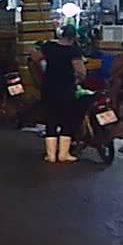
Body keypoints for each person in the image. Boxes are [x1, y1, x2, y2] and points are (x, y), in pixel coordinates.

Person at [30, 24, 86, 163]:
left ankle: (51, 155)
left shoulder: (49, 47)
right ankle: (63, 153)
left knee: (51, 119)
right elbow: (80, 71)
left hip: (49, 87)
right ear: (73, 37)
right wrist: (78, 79)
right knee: (67, 119)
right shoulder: (73, 50)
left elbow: (35, 58)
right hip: (66, 88)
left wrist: (35, 52)